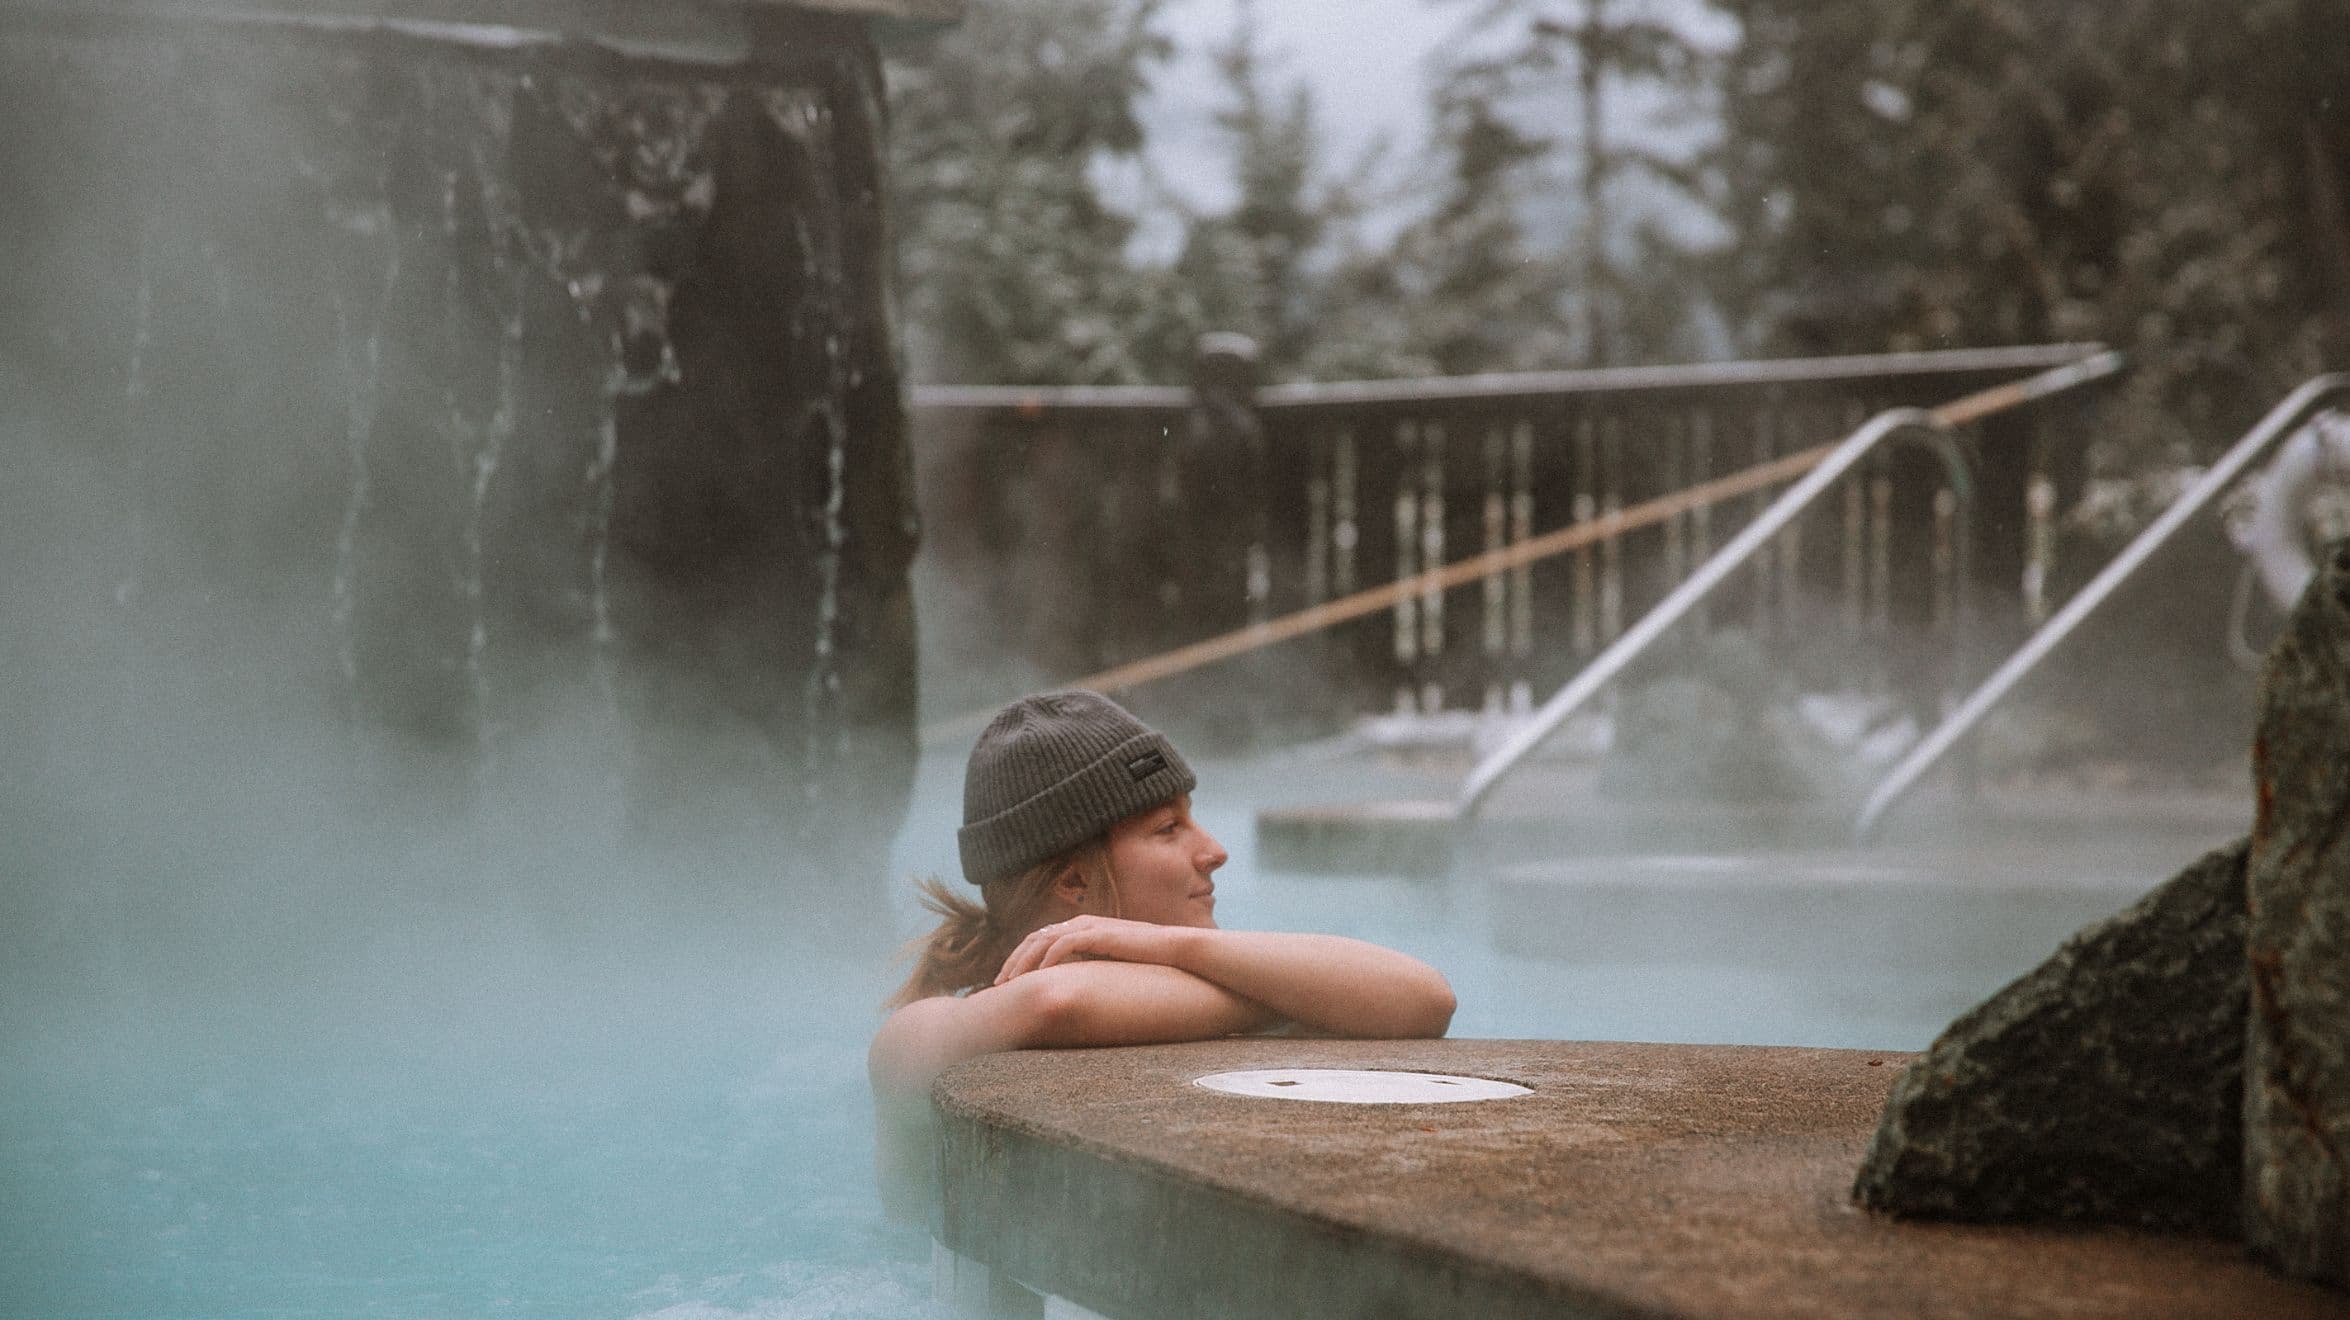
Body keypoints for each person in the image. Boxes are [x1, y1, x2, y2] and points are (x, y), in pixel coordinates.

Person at [868, 690, 1455, 1220]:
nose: (1215, 851)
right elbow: (1056, 1001)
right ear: (1074, 884)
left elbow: (1427, 996)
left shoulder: (1178, 969)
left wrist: (1172, 944)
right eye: (1169, 827)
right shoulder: (919, 1034)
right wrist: (1289, 998)